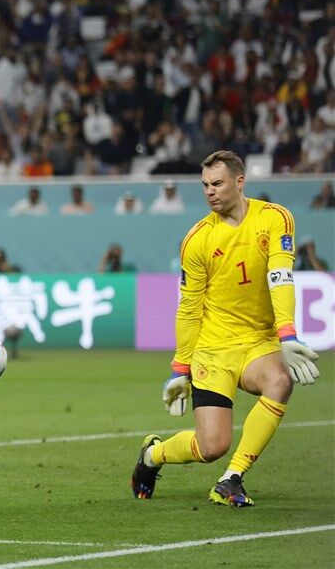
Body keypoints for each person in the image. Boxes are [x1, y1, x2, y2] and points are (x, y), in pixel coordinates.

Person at [131, 150, 321, 507]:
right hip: (214, 349)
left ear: (240, 181)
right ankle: (152, 455)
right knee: (211, 447)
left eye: (217, 183)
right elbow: (189, 308)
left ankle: (231, 479)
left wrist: (286, 334)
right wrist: (180, 368)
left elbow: (280, 277)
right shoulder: (198, 239)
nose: (210, 192)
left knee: (280, 381)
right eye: (205, 185)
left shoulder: (276, 218)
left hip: (258, 342)